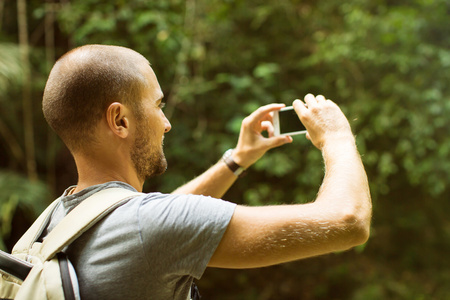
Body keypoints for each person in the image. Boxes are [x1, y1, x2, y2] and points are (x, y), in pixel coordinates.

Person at [40, 44, 372, 299]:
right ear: (120, 121)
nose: (166, 124)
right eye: (158, 106)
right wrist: (337, 137)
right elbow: (348, 221)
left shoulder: (53, 225)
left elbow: (161, 218)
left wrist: (237, 159)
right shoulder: (150, 228)